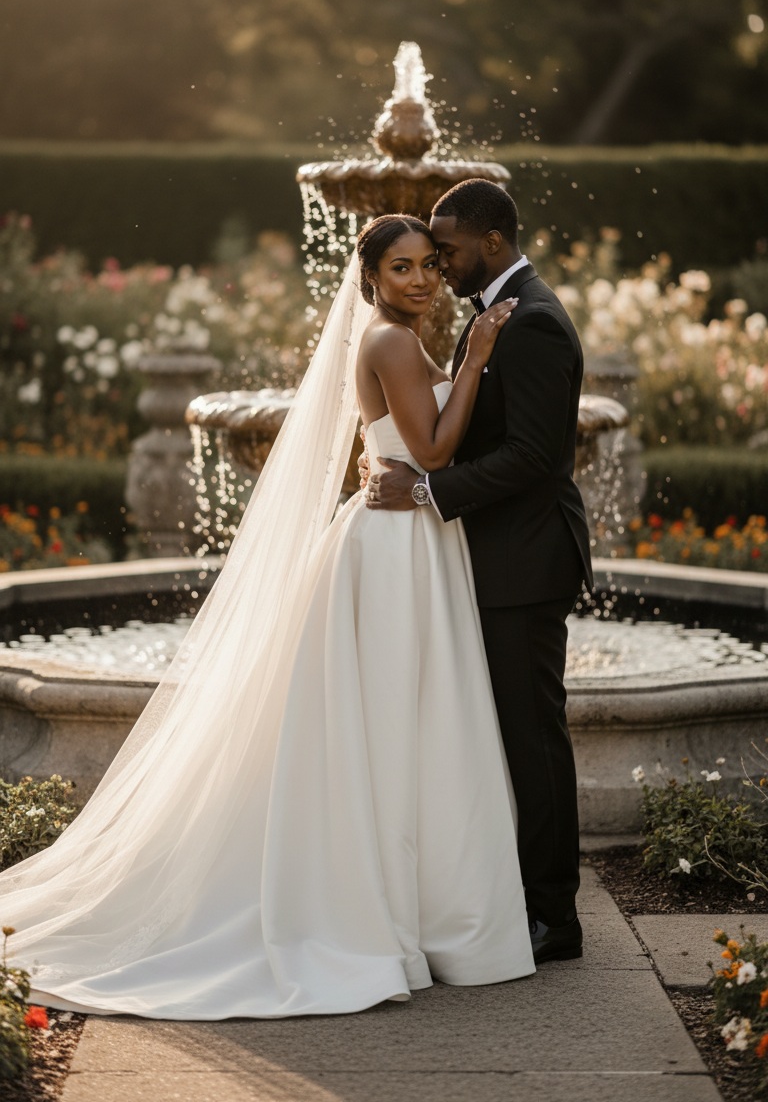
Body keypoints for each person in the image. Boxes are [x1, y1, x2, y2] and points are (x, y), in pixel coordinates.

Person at [0, 213, 535, 1020]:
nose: (421, 280)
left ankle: (407, 904)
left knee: (401, 723)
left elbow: (404, 445)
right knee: (398, 723)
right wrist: (479, 360)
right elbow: (430, 452)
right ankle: (390, 910)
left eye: (429, 264)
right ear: (370, 281)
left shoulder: (398, 337)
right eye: (402, 268)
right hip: (394, 548)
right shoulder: (390, 342)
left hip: (409, 536)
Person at [366, 180, 593, 965]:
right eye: (419, 258)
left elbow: (534, 456)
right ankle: (516, 895)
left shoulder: (528, 322)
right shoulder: (494, 314)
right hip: (493, 556)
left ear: (490, 243)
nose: (437, 267)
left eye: (447, 252)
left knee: (532, 736)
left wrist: (427, 489)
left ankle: (554, 915)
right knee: (507, 733)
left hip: (525, 561)